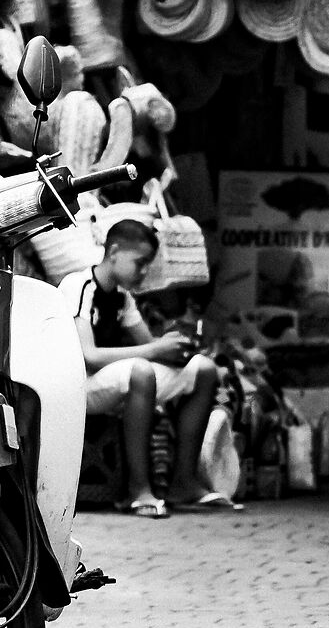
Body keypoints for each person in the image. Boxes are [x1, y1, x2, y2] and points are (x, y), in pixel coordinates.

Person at [65, 218, 233, 519]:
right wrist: (155, 349)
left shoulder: (123, 297)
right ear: (114, 251)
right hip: (80, 385)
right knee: (141, 370)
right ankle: (138, 490)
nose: (143, 272)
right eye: (140, 263)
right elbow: (87, 356)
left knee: (204, 370)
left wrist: (176, 348)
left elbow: (148, 346)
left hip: (115, 380)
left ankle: (183, 483)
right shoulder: (80, 285)